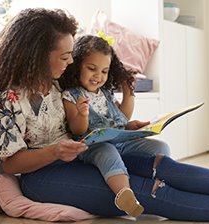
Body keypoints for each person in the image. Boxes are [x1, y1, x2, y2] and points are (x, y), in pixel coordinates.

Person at [0, 8, 209, 222]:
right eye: (65, 56)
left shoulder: (59, 86)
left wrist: (124, 127)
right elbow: (10, 164)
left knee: (164, 166)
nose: (70, 62)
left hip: (85, 156)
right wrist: (55, 152)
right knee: (149, 191)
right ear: (38, 56)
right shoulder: (9, 101)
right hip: (46, 176)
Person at [59, 34, 171, 217]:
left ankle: (159, 183)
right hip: (93, 146)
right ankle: (125, 195)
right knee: (107, 152)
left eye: (104, 71)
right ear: (77, 65)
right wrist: (82, 114)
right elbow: (77, 130)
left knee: (160, 146)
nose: (98, 76)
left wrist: (129, 97)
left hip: (121, 141)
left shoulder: (105, 93)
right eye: (92, 69)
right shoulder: (72, 95)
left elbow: (123, 117)